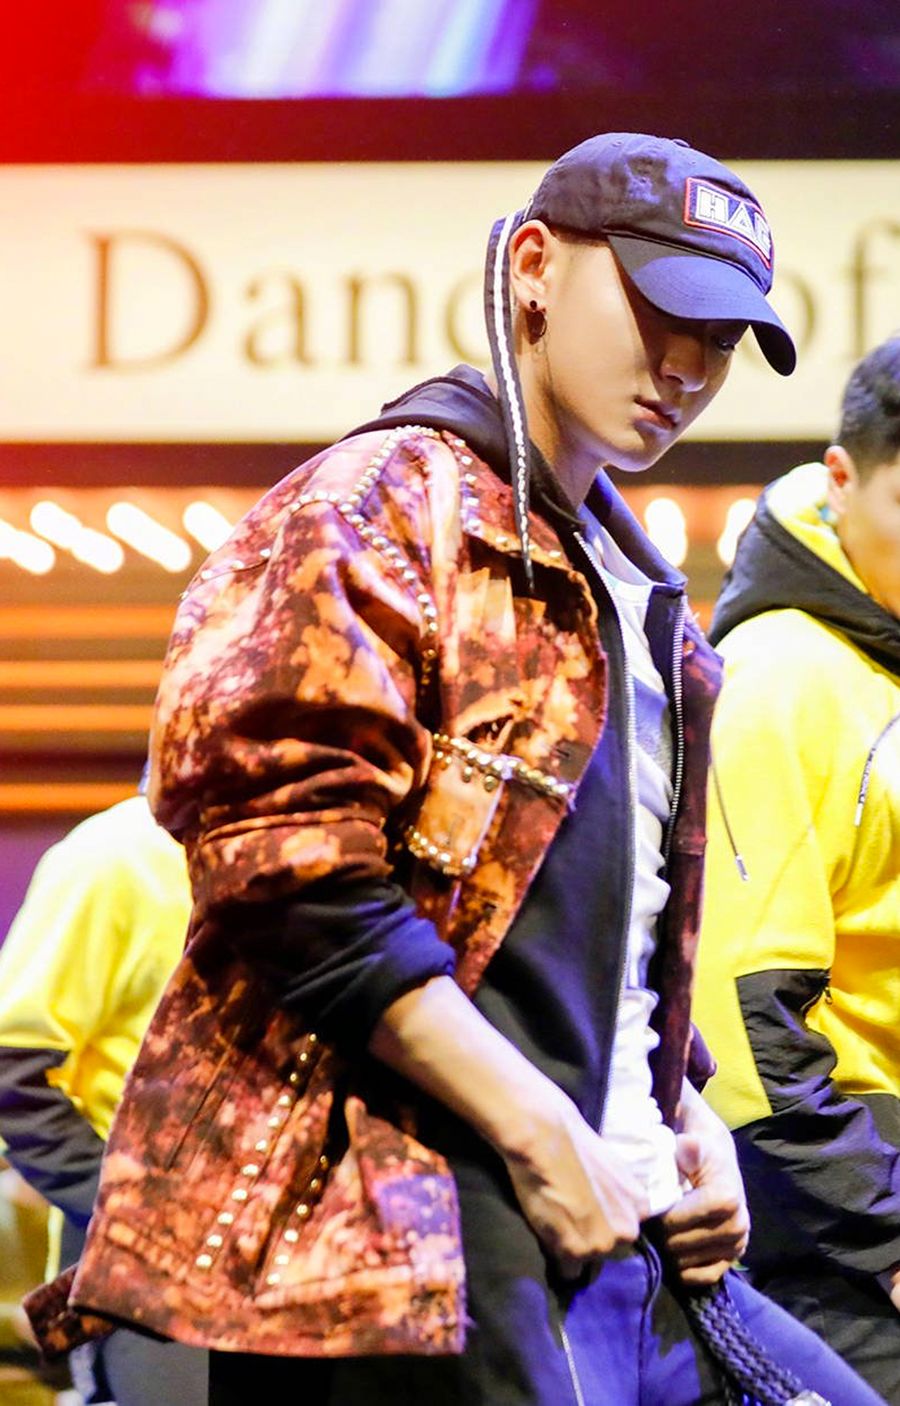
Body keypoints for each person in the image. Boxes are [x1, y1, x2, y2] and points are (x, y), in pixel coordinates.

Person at [26, 133, 882, 1406]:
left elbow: (593, 922)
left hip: (622, 1222)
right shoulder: (373, 504)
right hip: (419, 1238)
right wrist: (540, 1131)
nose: (688, 367)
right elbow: (289, 875)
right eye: (663, 310)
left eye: (722, 340)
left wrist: (678, 1111)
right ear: (534, 266)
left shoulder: (634, 588)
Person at [692, 335, 900, 1401]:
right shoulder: (781, 676)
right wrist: (886, 1235)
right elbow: (743, 1026)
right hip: (840, 1230)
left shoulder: (877, 663)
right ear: (841, 478)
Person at [0, 793, 208, 1405]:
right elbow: (11, 1063)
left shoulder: (323, 856)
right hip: (149, 1269)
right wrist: (130, 1211)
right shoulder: (119, 853)